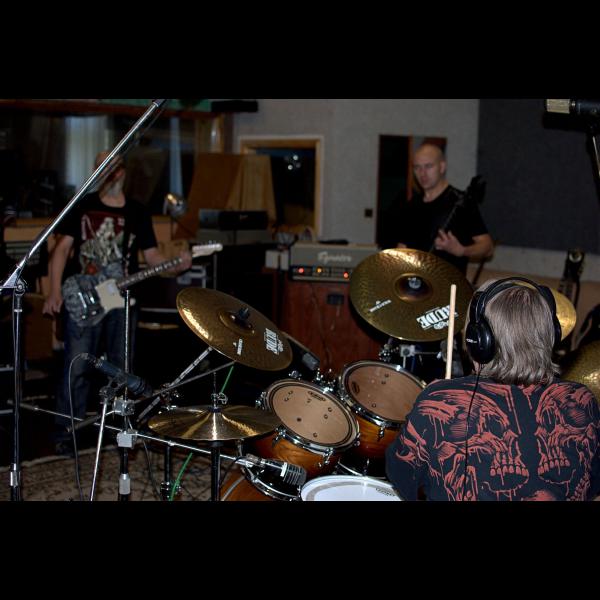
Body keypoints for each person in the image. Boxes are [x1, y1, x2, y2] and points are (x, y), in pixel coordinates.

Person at [385, 278, 600, 501]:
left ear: (478, 339)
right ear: (552, 335)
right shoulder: (581, 399)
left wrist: (429, 402)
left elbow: (401, 478)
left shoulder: (440, 401)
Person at [43, 151, 192, 454]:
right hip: (83, 295)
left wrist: (176, 266)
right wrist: (54, 291)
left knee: (122, 369)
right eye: (100, 166)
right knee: (77, 366)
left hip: (119, 298)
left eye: (111, 166)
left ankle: (119, 431)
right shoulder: (82, 205)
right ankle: (66, 434)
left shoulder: (137, 211)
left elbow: (152, 257)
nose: (106, 172)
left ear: (122, 171)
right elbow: (61, 250)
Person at [396, 142, 494, 274]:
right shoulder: (412, 205)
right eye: (417, 167)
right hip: (416, 283)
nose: (422, 173)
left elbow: (488, 247)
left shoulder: (461, 203)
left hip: (449, 284)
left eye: (428, 166)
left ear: (442, 167)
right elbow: (402, 247)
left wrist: (462, 250)